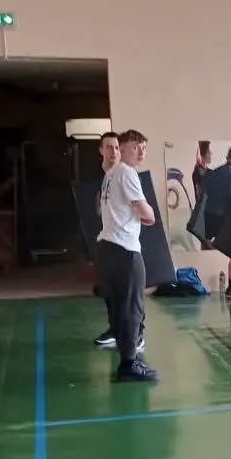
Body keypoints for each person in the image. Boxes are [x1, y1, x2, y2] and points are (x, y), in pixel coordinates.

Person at [96, 130, 157, 382]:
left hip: (108, 248)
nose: (141, 152)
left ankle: (126, 361)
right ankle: (129, 365)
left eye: (144, 147)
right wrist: (148, 214)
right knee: (132, 308)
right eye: (135, 147)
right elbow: (147, 212)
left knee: (121, 308)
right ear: (123, 148)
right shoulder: (126, 173)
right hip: (125, 250)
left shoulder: (110, 174)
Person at [93, 131, 146, 351]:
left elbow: (144, 211)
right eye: (109, 147)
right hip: (110, 243)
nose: (114, 151)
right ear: (102, 151)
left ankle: (136, 336)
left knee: (132, 296)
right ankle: (118, 332)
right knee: (114, 294)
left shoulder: (125, 173)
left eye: (117, 147)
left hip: (126, 245)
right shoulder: (109, 176)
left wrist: (147, 213)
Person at [201, 147, 231, 300]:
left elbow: (205, 192)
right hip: (224, 216)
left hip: (208, 215)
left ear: (227, 157)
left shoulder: (215, 172)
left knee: (206, 244)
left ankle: (203, 273)